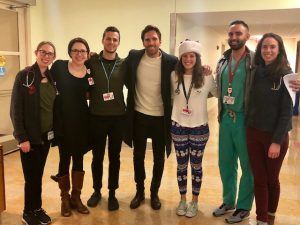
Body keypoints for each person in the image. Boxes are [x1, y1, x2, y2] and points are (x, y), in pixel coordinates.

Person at [123, 25, 178, 210]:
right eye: (147, 39)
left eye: (154, 39)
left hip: (160, 118)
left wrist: (202, 68)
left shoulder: (171, 61)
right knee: (138, 156)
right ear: (143, 42)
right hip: (139, 115)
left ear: (160, 41)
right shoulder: (134, 56)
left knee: (158, 158)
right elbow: (115, 66)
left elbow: (186, 72)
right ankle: (140, 191)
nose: (151, 42)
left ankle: (154, 193)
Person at [246, 33, 293, 225]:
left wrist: (276, 141)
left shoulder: (287, 75)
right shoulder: (255, 71)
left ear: (279, 49)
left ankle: (270, 216)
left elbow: (286, 112)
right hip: (253, 133)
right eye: (264, 47)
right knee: (259, 178)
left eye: (272, 47)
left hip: (275, 137)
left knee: (271, 179)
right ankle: (261, 219)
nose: (268, 50)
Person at [212, 20, 254, 224]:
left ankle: (244, 206)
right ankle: (229, 201)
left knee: (248, 165)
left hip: (246, 120)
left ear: (247, 36)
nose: (233, 38)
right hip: (226, 118)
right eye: (231, 34)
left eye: (238, 34)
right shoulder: (223, 61)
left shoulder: (255, 61)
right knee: (226, 163)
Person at [10, 41, 57, 225]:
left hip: (45, 137)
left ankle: (36, 208)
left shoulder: (52, 77)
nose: (46, 56)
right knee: (31, 177)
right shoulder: (25, 75)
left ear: (53, 57)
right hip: (29, 138)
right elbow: (15, 109)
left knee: (37, 175)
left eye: (50, 53)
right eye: (43, 52)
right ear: (36, 53)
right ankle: (28, 211)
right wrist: (21, 137)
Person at [170, 40, 217, 218]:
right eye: (185, 56)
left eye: (192, 56)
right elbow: (169, 96)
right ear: (180, 58)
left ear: (197, 58)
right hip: (178, 126)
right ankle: (182, 199)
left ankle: (194, 201)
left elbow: (218, 94)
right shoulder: (174, 76)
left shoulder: (205, 77)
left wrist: (211, 74)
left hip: (199, 128)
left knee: (196, 165)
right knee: (181, 165)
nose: (188, 59)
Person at [85, 26, 126, 211]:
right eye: (108, 39)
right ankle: (96, 191)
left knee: (115, 157)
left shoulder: (124, 64)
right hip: (96, 117)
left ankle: (112, 193)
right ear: (102, 40)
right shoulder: (91, 62)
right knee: (97, 157)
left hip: (118, 118)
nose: (111, 42)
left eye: (115, 39)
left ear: (119, 42)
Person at [51, 37, 91, 216]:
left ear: (87, 54)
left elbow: (92, 93)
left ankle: (76, 196)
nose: (79, 54)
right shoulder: (59, 67)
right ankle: (65, 199)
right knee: (64, 158)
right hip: (63, 121)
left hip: (82, 121)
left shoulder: (90, 72)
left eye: (83, 51)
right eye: (75, 50)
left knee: (79, 158)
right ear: (69, 52)